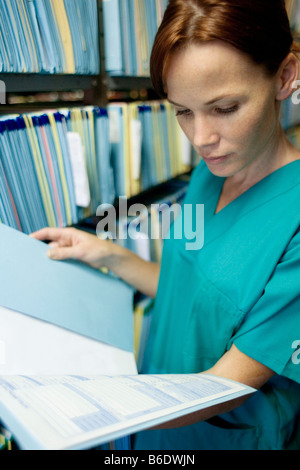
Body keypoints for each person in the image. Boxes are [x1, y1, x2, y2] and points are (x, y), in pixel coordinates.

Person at [32, 0, 300, 450]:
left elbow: (226, 384)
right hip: (154, 418)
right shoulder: (209, 172)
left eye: (225, 107)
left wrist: (83, 405)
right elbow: (191, 291)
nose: (200, 139)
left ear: (285, 76)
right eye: (183, 111)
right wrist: (107, 254)